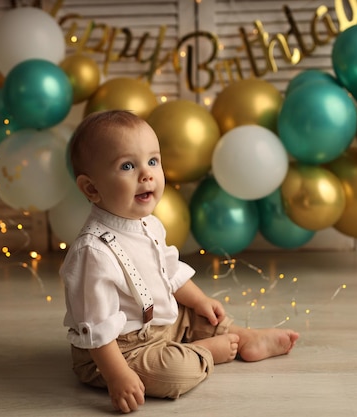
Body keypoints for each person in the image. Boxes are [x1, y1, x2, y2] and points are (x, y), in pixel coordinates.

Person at [59, 110, 299, 414]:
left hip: (162, 324)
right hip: (118, 351)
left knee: (196, 315)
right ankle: (201, 352)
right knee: (172, 374)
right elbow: (96, 329)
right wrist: (118, 376)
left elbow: (168, 272)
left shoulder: (148, 223)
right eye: (128, 166)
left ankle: (242, 335)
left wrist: (199, 301)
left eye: (153, 161)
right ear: (92, 188)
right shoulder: (92, 252)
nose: (146, 174)